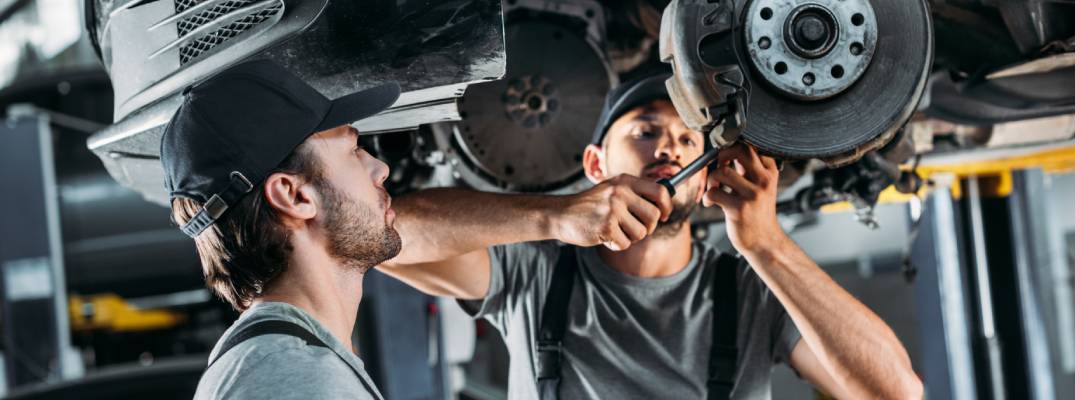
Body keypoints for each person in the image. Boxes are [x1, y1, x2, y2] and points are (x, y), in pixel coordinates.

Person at [380, 73, 923, 399]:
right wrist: (553, 216)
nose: (670, 150)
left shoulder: (755, 292)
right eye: (646, 132)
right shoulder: (535, 273)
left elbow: (896, 392)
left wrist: (767, 244)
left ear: (708, 173)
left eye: (690, 141)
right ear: (596, 162)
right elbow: (384, 235)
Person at [161, 60, 402, 399]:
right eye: (353, 151)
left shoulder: (276, 363)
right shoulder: (296, 377)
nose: (380, 169)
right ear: (294, 196)